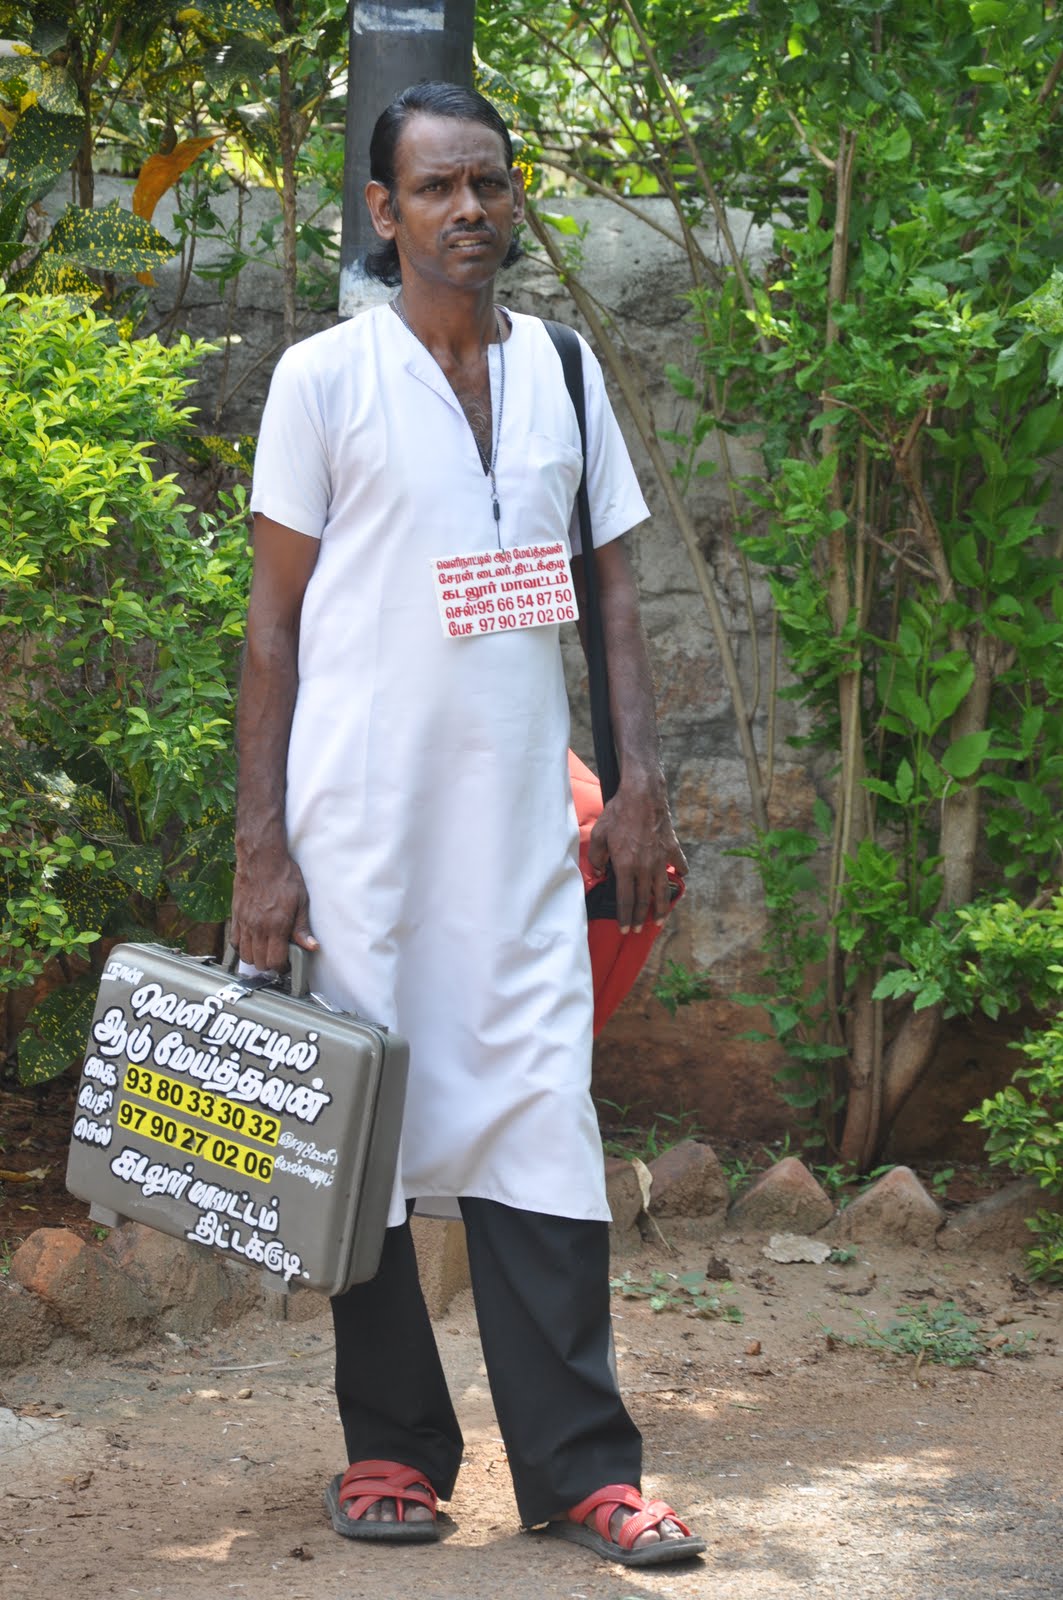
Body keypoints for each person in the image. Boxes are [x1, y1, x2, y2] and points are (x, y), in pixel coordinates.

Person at [230, 80, 701, 1570]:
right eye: (435, 190)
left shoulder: (562, 368)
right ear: (384, 213)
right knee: (364, 1126)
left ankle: (582, 1470)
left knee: (540, 1120)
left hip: (517, 832)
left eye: (489, 185)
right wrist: (263, 847)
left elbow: (613, 578)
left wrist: (632, 776)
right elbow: (270, 622)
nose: (470, 213)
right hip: (361, 828)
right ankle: (391, 1455)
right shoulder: (323, 380)